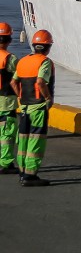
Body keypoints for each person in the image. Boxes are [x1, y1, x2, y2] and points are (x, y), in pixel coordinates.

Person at [12, 30, 55, 186]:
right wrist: (48, 98)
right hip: (38, 108)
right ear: (47, 47)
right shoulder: (45, 62)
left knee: (23, 140)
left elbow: (13, 82)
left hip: (24, 107)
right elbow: (41, 81)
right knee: (36, 140)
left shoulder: (23, 61)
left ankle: (22, 172)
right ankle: (30, 176)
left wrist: (20, 96)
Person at [0, 23, 19, 175]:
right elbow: (18, 79)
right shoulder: (11, 59)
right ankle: (6, 164)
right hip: (6, 102)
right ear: (9, 40)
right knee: (7, 134)